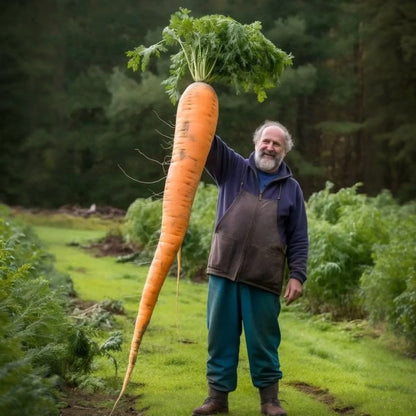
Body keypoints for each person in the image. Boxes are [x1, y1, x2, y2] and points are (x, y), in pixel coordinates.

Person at [192, 121, 308, 416]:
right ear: (256, 143)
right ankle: (217, 399)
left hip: (264, 277)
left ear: (285, 151)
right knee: (220, 337)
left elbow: (298, 237)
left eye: (276, 144)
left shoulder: (292, 189)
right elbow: (207, 139)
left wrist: (297, 275)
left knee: (264, 342)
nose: (270, 147)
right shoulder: (232, 168)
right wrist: (200, 97)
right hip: (223, 270)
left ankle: (270, 401)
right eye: (266, 141)